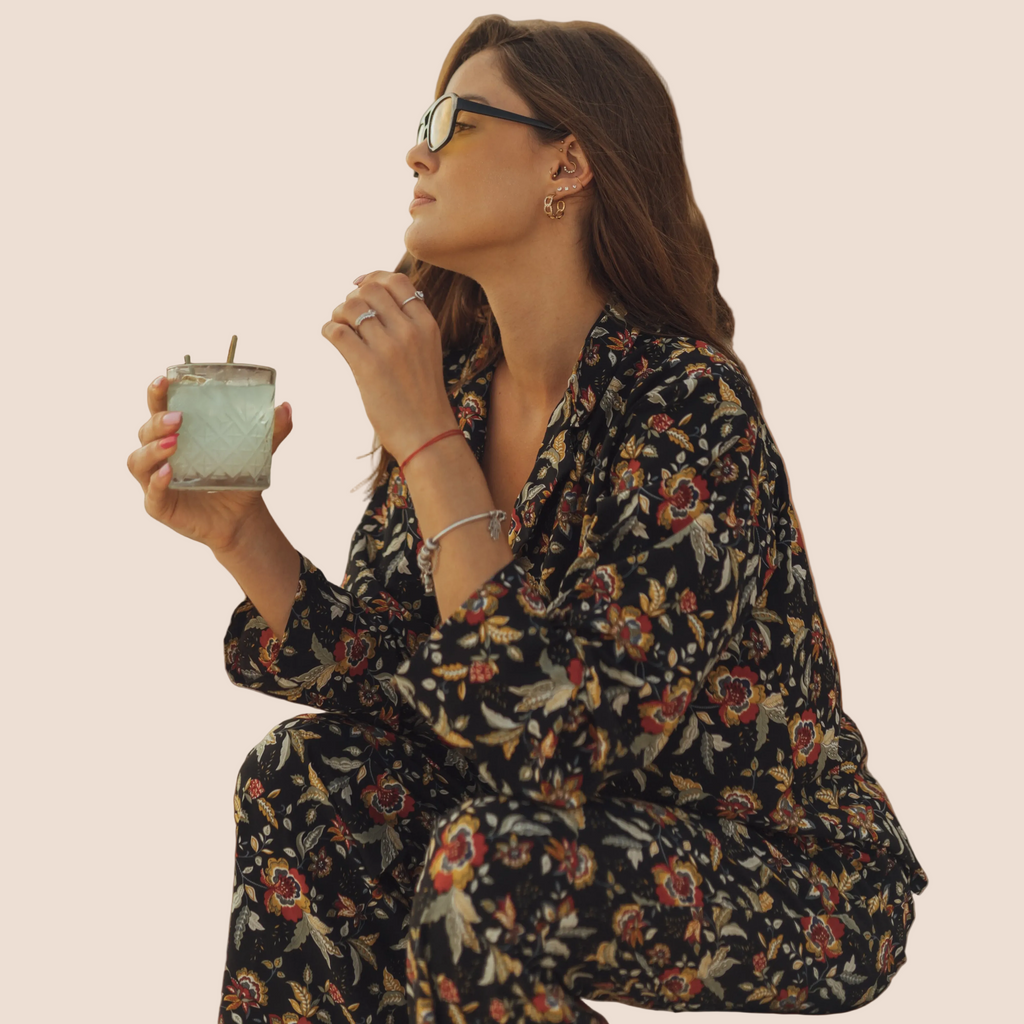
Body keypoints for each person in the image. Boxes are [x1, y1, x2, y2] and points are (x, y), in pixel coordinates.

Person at [127, 15, 928, 1023]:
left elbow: (558, 739)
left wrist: (427, 444)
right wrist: (242, 535)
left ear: (568, 163)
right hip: (549, 825)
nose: (416, 150)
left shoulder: (687, 403)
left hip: (787, 868)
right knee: (305, 779)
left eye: (451, 120)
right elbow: (409, 679)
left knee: (490, 863)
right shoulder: (458, 391)